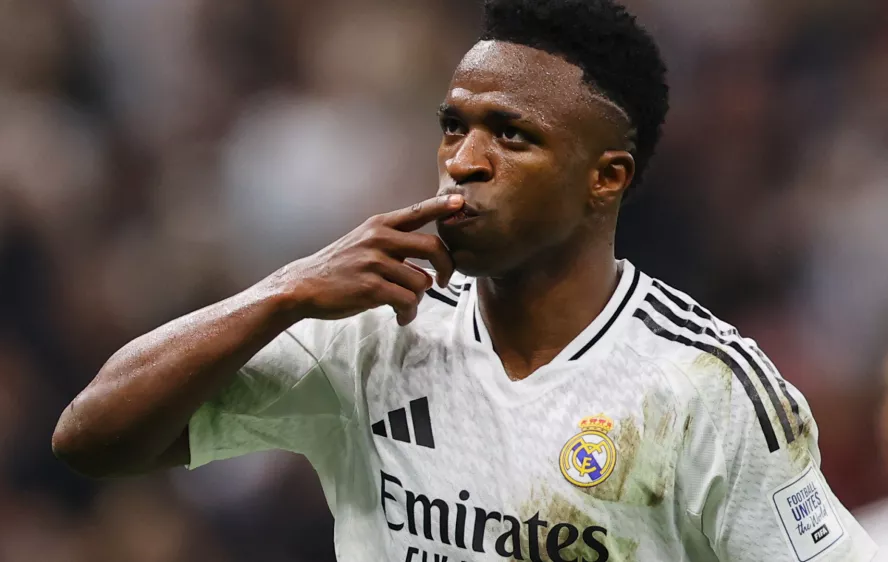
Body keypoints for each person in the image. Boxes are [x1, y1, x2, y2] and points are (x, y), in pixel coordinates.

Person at [52, 0, 877, 559]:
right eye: (455, 125)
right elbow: (92, 440)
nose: (463, 160)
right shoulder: (377, 328)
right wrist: (284, 292)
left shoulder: (706, 387)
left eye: (511, 135)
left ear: (606, 178)